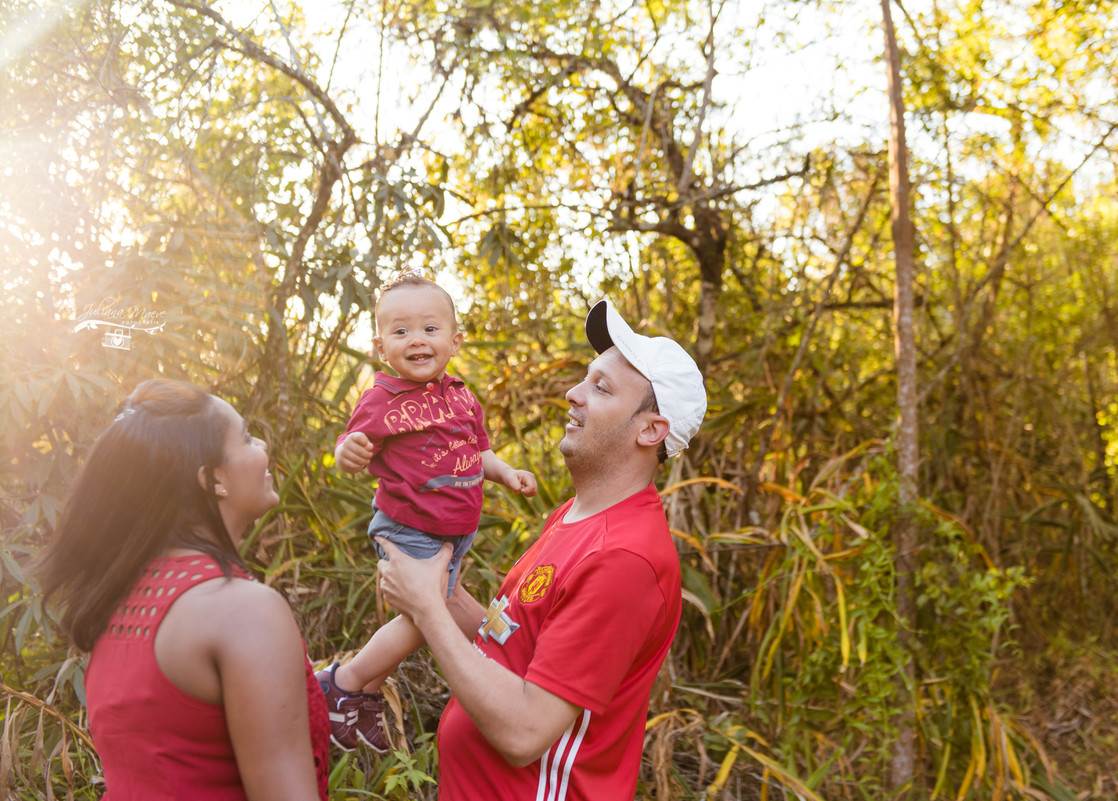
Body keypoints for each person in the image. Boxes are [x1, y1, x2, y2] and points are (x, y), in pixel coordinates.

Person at [376, 298, 707, 800]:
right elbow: (510, 647)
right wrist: (444, 594)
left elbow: (525, 732)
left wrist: (427, 607)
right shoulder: (576, 516)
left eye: (600, 388)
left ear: (650, 430)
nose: (573, 394)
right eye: (584, 378)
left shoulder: (624, 559)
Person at [35, 379, 330, 801]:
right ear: (212, 480)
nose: (263, 446)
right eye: (246, 438)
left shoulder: (121, 598)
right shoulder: (244, 610)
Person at [318, 272, 537, 753]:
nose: (416, 339)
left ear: (454, 340)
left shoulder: (461, 396)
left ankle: (363, 694)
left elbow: (479, 452)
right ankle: (343, 683)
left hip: (454, 534)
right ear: (381, 347)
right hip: (409, 526)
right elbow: (350, 443)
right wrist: (347, 452)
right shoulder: (382, 398)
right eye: (401, 331)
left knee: (437, 613)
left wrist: (506, 472)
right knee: (425, 615)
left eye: (429, 329)